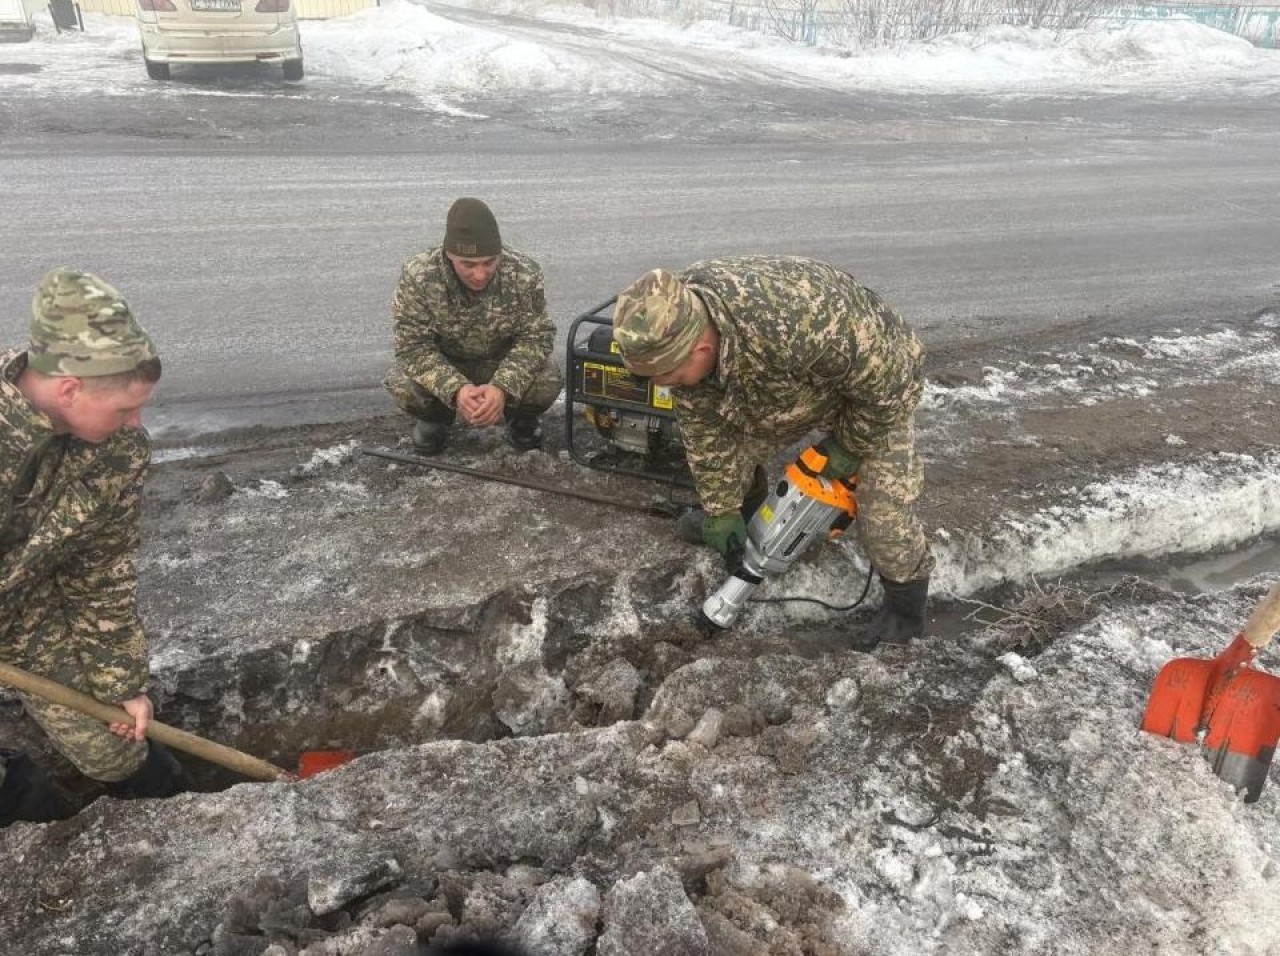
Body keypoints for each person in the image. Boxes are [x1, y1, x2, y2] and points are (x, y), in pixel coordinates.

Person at [612, 257, 933, 646]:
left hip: (879, 388)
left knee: (883, 514)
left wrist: (850, 444)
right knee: (729, 463)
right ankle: (751, 527)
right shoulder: (685, 322)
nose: (666, 388)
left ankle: (906, 610)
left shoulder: (802, 320)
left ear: (701, 348)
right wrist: (722, 510)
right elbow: (705, 433)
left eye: (671, 377)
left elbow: (893, 384)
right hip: (786, 384)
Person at [0, 267, 187, 827]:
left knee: (114, 748)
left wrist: (121, 683)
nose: (136, 423)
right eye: (124, 409)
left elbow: (101, 569)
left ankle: (173, 815)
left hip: (22, 604)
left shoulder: (117, 451)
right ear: (69, 389)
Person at [384, 198, 563, 455]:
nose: (480, 274)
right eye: (468, 264)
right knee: (402, 383)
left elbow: (537, 337)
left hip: (501, 363)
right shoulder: (418, 275)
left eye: (490, 262)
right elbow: (412, 347)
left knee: (549, 378)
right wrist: (456, 389)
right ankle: (436, 419)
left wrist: (502, 387)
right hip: (447, 364)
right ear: (449, 255)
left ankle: (521, 421)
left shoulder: (524, 272)